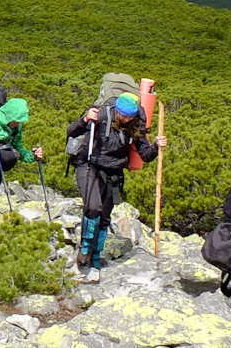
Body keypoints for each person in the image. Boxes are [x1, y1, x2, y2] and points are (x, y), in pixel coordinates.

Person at [65, 92, 166, 279]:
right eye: (123, 115)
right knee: (93, 207)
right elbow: (71, 132)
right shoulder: (102, 116)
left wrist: (156, 147)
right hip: (89, 166)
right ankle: (85, 250)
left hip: (114, 173)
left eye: (130, 116)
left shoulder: (135, 125)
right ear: (116, 110)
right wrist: (85, 119)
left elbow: (145, 155)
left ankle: (96, 258)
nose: (126, 119)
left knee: (104, 216)